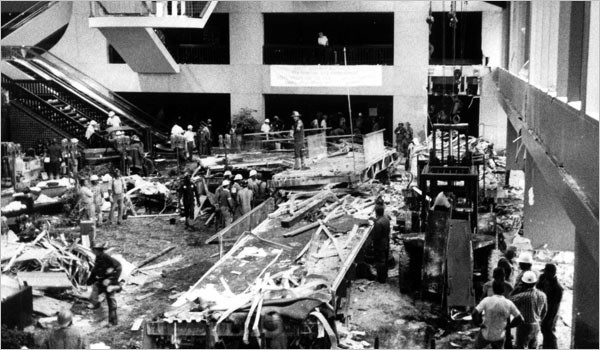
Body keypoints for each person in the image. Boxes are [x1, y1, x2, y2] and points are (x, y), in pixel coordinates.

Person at [472, 280, 524, 349]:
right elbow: (520, 319)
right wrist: (509, 326)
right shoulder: (509, 303)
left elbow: (474, 313)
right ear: (503, 290)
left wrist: (478, 323)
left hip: (486, 333)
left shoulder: (487, 300)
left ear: (493, 289)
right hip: (500, 335)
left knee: (476, 347)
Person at [87, 242, 122, 326]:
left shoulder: (106, 258)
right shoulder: (98, 257)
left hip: (111, 279)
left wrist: (110, 279)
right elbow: (95, 270)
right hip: (104, 278)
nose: (92, 250)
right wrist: (90, 280)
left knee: (110, 297)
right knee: (95, 288)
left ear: (98, 250)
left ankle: (113, 322)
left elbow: (117, 267)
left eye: (93, 249)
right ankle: (96, 303)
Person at [510, 271, 547, 349]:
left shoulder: (522, 296)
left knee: (521, 346)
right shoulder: (543, 295)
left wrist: (516, 288)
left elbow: (508, 300)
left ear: (523, 283)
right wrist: (539, 320)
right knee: (533, 347)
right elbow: (545, 311)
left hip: (524, 326)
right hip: (536, 325)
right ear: (535, 282)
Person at [536, 263, 563, 349]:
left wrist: (546, 316)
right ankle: (546, 345)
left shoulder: (558, 288)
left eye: (546, 272)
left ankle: (552, 346)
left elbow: (554, 306)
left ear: (552, 273)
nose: (544, 274)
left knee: (548, 328)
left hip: (551, 310)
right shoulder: (543, 278)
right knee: (544, 328)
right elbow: (537, 287)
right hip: (544, 307)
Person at [370, 205, 390, 283]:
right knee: (385, 259)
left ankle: (381, 279)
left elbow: (376, 236)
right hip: (386, 242)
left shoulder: (378, 223)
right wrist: (375, 220)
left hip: (380, 245)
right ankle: (385, 276)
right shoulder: (386, 219)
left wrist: (372, 235)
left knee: (380, 261)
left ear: (376, 212)